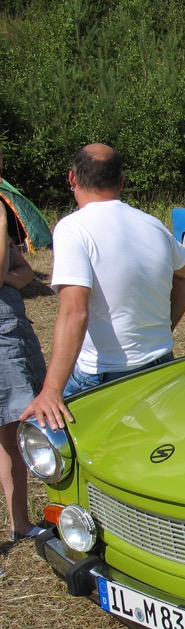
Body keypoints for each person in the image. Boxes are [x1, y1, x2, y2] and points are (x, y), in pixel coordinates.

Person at [20, 143, 185, 432]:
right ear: (121, 182)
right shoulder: (152, 224)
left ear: (72, 179)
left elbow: (74, 312)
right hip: (160, 363)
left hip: (102, 374)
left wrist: (51, 390)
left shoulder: (72, 228)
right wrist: (163, 327)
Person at [0, 149, 48, 540]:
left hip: (12, 333)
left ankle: (19, 523)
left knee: (13, 434)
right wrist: (1, 224)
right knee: (11, 432)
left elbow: (24, 270)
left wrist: (10, 278)